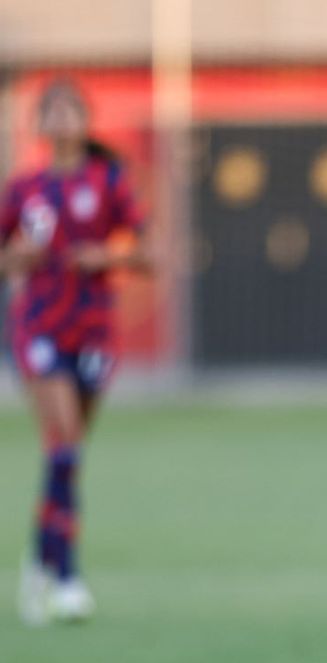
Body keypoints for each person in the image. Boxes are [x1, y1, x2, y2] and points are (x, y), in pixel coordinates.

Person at [0, 79, 151, 625]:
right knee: (62, 447)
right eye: (52, 112)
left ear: (85, 121)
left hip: (93, 332)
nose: (62, 121)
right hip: (38, 329)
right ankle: (66, 577)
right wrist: (20, 256)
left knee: (67, 456)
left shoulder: (108, 180)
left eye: (71, 111)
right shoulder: (24, 189)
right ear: (40, 124)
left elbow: (152, 252)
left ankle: (38, 558)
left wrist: (106, 256)